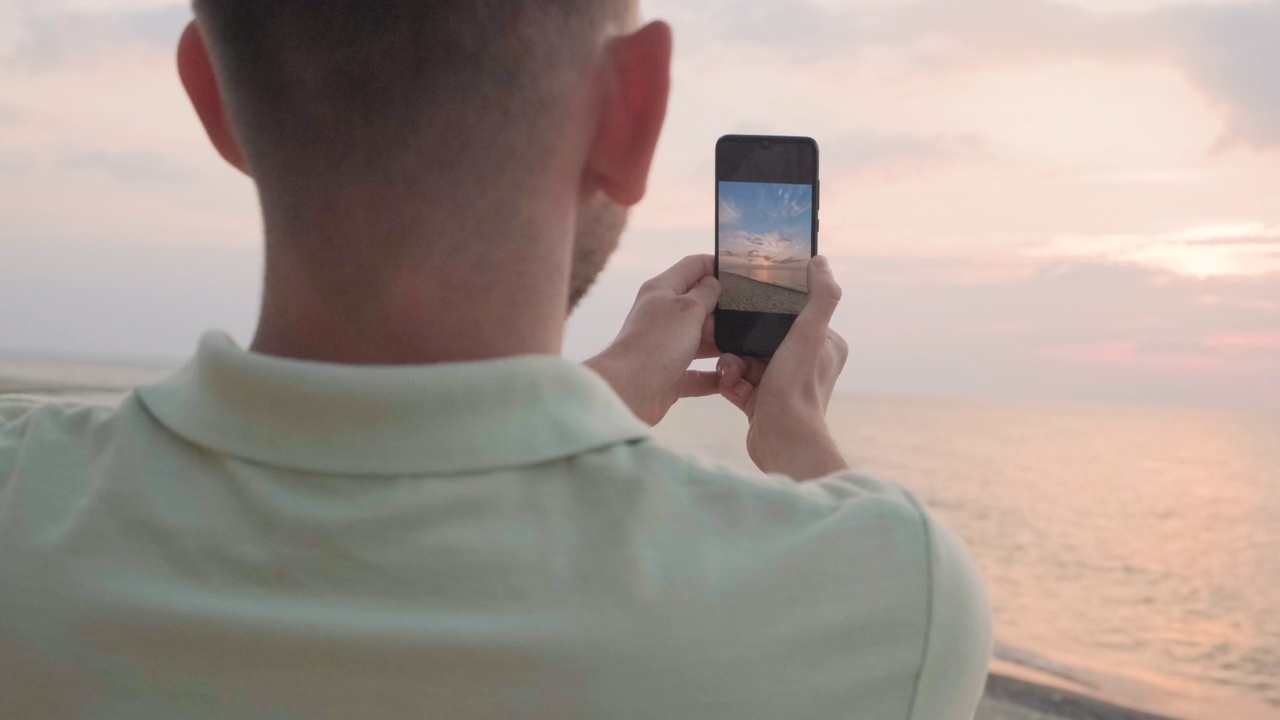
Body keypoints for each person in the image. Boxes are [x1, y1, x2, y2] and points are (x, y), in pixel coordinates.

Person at [0, 2, 991, 718]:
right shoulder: (883, 592)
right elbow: (889, 585)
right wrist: (798, 430)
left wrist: (586, 398)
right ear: (631, 110)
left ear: (212, 95)